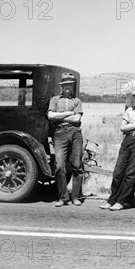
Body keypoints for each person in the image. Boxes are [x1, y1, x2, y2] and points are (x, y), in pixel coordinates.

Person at [100, 87, 135, 211]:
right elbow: (122, 128)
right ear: (134, 98)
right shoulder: (129, 111)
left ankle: (122, 201)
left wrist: (130, 126)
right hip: (127, 141)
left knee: (130, 174)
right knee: (118, 172)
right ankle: (112, 200)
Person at [47, 72, 84, 208]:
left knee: (76, 165)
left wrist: (60, 116)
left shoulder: (77, 101)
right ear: (62, 86)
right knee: (59, 166)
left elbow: (77, 119)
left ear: (73, 86)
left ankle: (75, 196)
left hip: (75, 133)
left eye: (70, 85)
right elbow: (50, 116)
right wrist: (69, 113)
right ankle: (63, 197)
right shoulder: (55, 100)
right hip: (60, 133)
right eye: (65, 85)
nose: (68, 87)